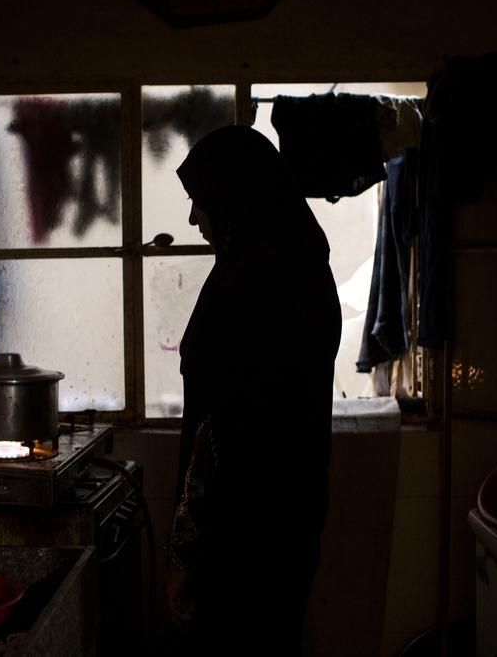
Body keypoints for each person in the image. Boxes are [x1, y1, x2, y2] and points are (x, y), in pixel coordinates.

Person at [161, 126, 342, 657]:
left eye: (201, 201)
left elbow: (214, 441)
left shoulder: (245, 293)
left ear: (235, 199)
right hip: (289, 533)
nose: (195, 219)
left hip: (236, 547)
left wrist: (184, 557)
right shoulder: (305, 274)